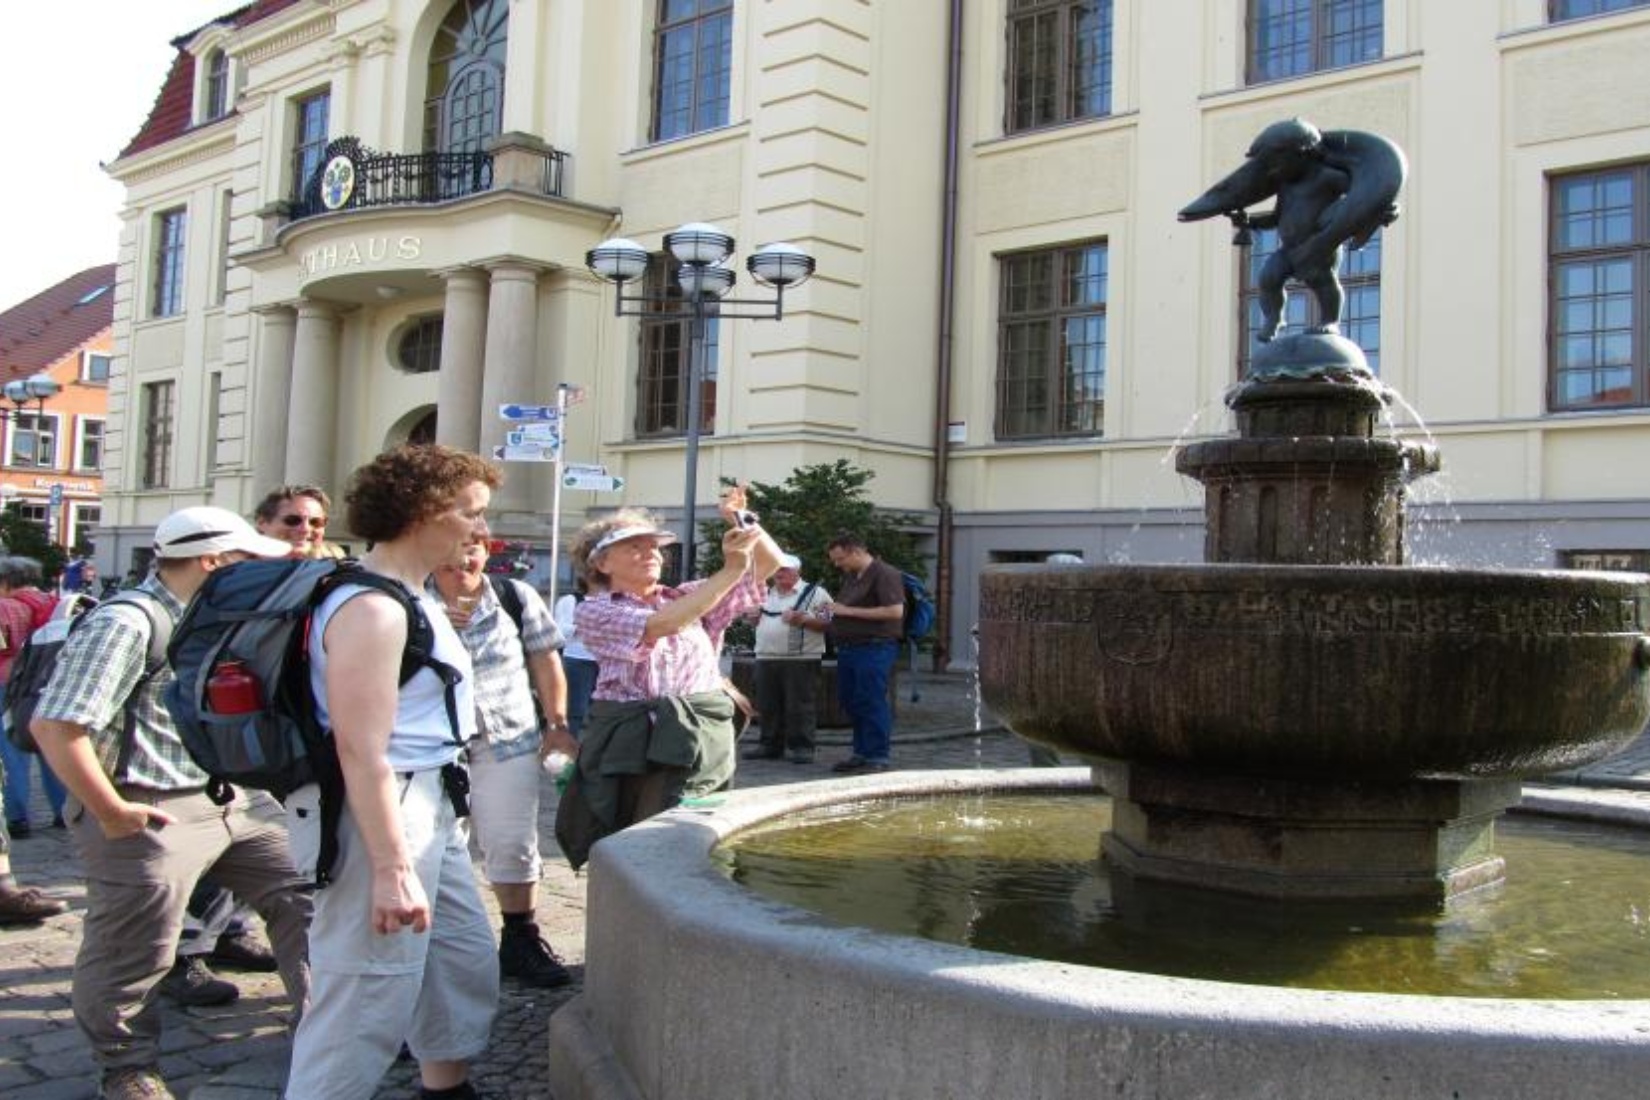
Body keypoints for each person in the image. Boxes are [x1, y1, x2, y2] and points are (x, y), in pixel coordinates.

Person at [31, 506, 311, 1100]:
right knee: (137, 943)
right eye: (248, 560)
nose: (261, 571)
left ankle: (322, 1022)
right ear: (213, 562)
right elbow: (56, 725)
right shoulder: (129, 621)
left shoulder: (216, 617)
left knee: (310, 894)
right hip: (149, 802)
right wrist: (110, 811)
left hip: (235, 799)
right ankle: (126, 1065)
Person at [284, 444, 500, 1100]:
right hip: (381, 809)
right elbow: (361, 750)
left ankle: (446, 1088)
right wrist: (390, 868)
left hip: (428, 799)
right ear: (422, 513)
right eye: (471, 513)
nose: (481, 530)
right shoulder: (372, 609)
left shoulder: (412, 594)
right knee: (362, 995)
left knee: (457, 962)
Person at [556, 494, 780, 869]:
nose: (651, 553)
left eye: (654, 547)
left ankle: (694, 903)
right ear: (601, 562)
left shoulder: (689, 596)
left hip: (697, 736)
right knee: (634, 833)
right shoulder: (595, 610)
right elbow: (662, 625)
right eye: (633, 547)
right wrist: (730, 569)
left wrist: (741, 521)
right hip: (631, 743)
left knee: (697, 828)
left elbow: (768, 564)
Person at [429, 536, 578, 989]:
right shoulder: (409, 597)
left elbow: (545, 659)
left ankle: (520, 938)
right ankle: (437, 949)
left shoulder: (515, 595)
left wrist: (557, 722)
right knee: (437, 847)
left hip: (507, 738)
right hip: (433, 745)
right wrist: (432, 628)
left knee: (512, 841)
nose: (464, 555)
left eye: (474, 545)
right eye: (454, 545)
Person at [813, 533, 904, 775]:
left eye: (840, 559)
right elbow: (839, 610)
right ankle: (860, 752)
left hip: (875, 648)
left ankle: (877, 755)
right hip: (850, 649)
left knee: (871, 699)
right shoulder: (852, 576)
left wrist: (847, 611)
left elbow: (895, 612)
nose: (837, 564)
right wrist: (822, 614)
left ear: (856, 552)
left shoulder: (885, 574)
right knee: (851, 700)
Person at [0, 556, 67, 835]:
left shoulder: (5, 606)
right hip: (50, 682)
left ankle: (17, 817)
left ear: (5, 581)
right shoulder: (55, 604)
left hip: (8, 683)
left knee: (12, 749)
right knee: (51, 747)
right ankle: (63, 811)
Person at [744, 553, 831, 764]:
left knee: (800, 705)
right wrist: (752, 619)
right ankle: (769, 745)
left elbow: (829, 622)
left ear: (797, 571)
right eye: (776, 568)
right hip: (765, 655)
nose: (778, 573)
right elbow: (757, 623)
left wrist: (803, 620)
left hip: (801, 658)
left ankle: (802, 747)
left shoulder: (816, 593)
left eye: (784, 569)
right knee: (767, 704)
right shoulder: (765, 593)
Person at [552, 577, 599, 737]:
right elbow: (558, 633)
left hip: (607, 661)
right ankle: (568, 748)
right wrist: (579, 626)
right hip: (578, 660)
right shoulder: (570, 600)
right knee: (575, 710)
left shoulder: (615, 601)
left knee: (604, 711)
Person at [253, 483, 337, 559]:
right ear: (262, 523)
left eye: (315, 522)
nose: (305, 529)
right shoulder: (242, 571)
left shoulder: (339, 572)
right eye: (292, 520)